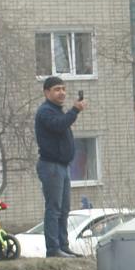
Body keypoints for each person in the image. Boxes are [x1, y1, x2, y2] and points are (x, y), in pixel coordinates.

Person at [35, 76, 86, 257]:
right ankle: (53, 248)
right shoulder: (46, 112)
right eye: (57, 89)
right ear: (47, 92)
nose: (62, 92)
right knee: (54, 208)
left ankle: (63, 245)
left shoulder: (57, 110)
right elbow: (59, 126)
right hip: (51, 166)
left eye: (63, 89)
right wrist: (74, 111)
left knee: (64, 209)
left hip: (62, 167)